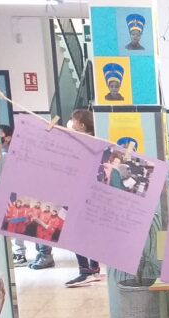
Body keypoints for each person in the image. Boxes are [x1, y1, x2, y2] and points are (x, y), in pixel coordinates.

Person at [63, 109, 102, 286]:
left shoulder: (82, 143)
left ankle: (85, 270)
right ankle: (93, 268)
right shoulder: (97, 141)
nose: (71, 123)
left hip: (81, 193)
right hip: (91, 193)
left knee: (76, 232)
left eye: (74, 120)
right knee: (90, 232)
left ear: (82, 125)